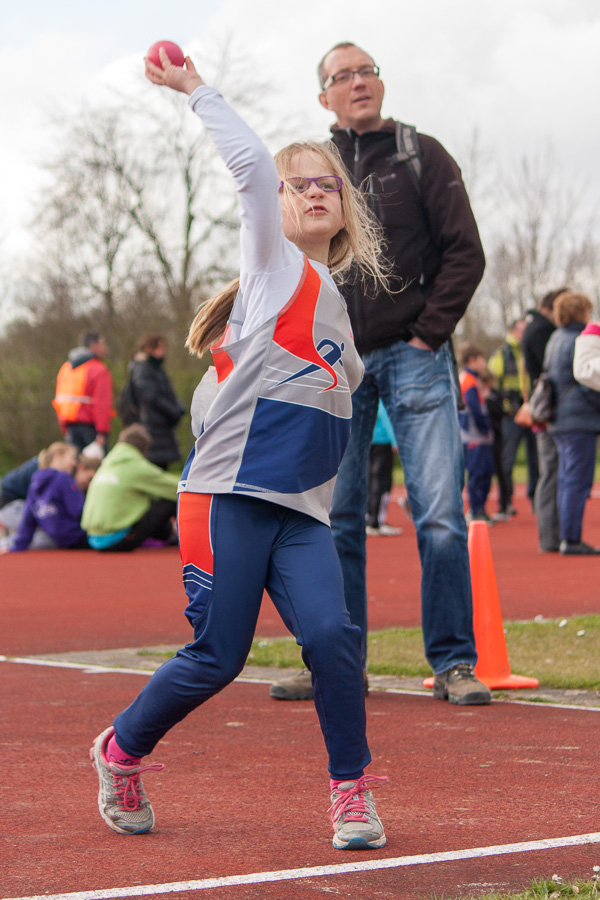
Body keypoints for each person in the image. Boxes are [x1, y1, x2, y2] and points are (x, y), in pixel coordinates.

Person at [89, 48, 390, 851]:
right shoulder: (272, 266)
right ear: (278, 208)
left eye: (327, 182)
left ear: (346, 208)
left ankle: (351, 792)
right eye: (300, 184)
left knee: (333, 640)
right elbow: (254, 170)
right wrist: (195, 88)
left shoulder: (337, 308)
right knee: (218, 657)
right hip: (225, 500)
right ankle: (121, 751)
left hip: (301, 515)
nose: (313, 190)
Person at [271, 42, 489, 707]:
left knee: (440, 515)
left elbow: (465, 253)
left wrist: (429, 334)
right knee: (334, 518)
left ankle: (453, 663)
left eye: (367, 71)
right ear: (323, 97)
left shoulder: (421, 155)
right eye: (343, 76)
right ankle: (336, 664)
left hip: (413, 353)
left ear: (381, 84)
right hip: (336, 362)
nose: (358, 82)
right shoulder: (315, 171)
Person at [543, 291, 600, 555]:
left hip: (559, 418)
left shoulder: (556, 338)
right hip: (579, 419)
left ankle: (565, 535)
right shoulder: (581, 340)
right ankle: (572, 538)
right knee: (577, 480)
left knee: (566, 479)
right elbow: (587, 382)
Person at [82, 424, 179, 552]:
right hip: (117, 539)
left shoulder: (107, 463)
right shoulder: (135, 465)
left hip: (93, 538)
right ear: (143, 450)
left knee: (147, 501)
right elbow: (176, 487)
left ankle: (170, 535)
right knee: (172, 498)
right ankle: (186, 538)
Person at [522, 289, 567, 553]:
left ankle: (552, 533)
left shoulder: (534, 327)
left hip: (542, 408)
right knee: (550, 472)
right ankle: (550, 536)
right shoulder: (542, 331)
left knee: (549, 471)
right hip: (548, 410)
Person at [489, 319, 538, 515]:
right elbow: (492, 381)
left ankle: (536, 499)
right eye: (521, 330)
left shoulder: (531, 349)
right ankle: (506, 501)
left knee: (535, 459)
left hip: (532, 412)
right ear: (512, 331)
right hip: (511, 414)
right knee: (507, 458)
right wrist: (503, 404)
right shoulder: (503, 353)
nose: (524, 333)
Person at [8, 444, 91, 552]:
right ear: (58, 455)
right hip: (77, 536)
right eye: (72, 458)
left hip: (56, 539)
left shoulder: (35, 482)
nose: (74, 463)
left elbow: (28, 518)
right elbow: (78, 511)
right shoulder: (64, 478)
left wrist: (19, 546)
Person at [127, 334, 186, 469]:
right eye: (159, 348)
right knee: (153, 467)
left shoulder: (156, 368)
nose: (162, 351)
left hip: (161, 427)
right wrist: (173, 411)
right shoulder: (143, 369)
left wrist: (178, 407)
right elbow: (151, 396)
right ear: (149, 349)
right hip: (152, 427)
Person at [53, 332, 113, 453]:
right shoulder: (98, 369)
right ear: (93, 346)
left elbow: (59, 400)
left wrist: (64, 427)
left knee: (74, 466)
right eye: (102, 344)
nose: (105, 349)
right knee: (97, 468)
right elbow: (101, 404)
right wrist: (102, 432)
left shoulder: (66, 368)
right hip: (92, 429)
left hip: (70, 428)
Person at [457, 344, 494, 523]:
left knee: (486, 471)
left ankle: (480, 508)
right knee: (477, 472)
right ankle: (475, 510)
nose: (484, 363)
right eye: (481, 359)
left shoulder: (475, 379)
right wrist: (485, 426)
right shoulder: (468, 380)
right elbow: (473, 408)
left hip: (480, 434)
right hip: (473, 434)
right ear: (472, 360)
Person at [366, 400, 401, 536]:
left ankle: (370, 517)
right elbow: (385, 417)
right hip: (382, 442)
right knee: (382, 481)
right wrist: (395, 440)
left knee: (370, 478)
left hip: (370, 441)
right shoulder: (381, 399)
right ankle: (376, 521)